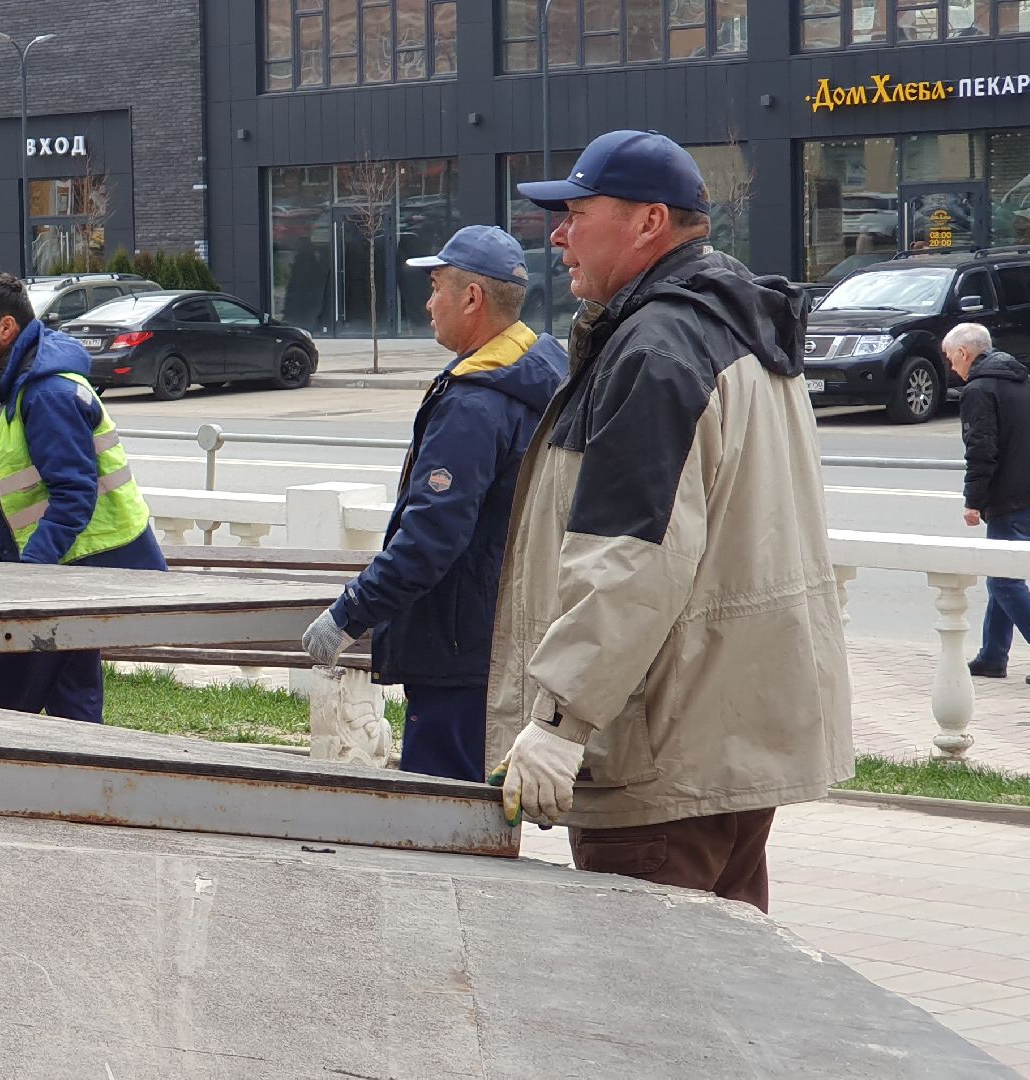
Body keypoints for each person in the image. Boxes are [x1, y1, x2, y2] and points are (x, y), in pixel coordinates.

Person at [492, 129, 851, 913]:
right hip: (727, 739)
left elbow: (629, 561)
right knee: (725, 995)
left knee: (651, 1019)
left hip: (661, 755)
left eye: (576, 213)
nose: (556, 236)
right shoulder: (733, 325)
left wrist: (558, 718)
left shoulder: (657, 349)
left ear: (649, 222)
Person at [302, 226, 566, 782]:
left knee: (445, 813)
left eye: (436, 286)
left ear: (472, 298)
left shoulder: (476, 403)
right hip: (506, 631)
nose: (427, 303)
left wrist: (349, 614)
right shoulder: (540, 371)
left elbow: (431, 538)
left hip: (458, 646)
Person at [0, 271, 165, 723]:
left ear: (6, 328)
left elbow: (73, 493)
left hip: (75, 566)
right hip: (61, 567)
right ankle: (86, 783)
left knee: (6, 702)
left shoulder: (47, 393)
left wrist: (33, 577)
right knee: (73, 696)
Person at [949, 322, 1030, 685]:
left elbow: (981, 449)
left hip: (1011, 501)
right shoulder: (1028, 382)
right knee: (1003, 575)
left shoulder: (978, 390)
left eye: (950, 358)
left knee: (1004, 581)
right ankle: (993, 656)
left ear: (964, 353)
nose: (950, 367)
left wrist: (973, 501)